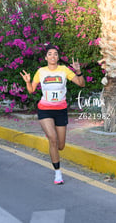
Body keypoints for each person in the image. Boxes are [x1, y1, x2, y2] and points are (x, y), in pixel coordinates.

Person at [20, 44, 85, 185]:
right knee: (53, 139)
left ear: (58, 57)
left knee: (60, 145)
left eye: (55, 54)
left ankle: (52, 137)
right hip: (45, 109)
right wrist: (27, 82)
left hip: (61, 110)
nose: (53, 56)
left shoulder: (64, 70)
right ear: (46, 57)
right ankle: (58, 174)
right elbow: (31, 90)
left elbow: (81, 84)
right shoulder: (41, 71)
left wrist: (78, 71)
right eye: (50, 54)